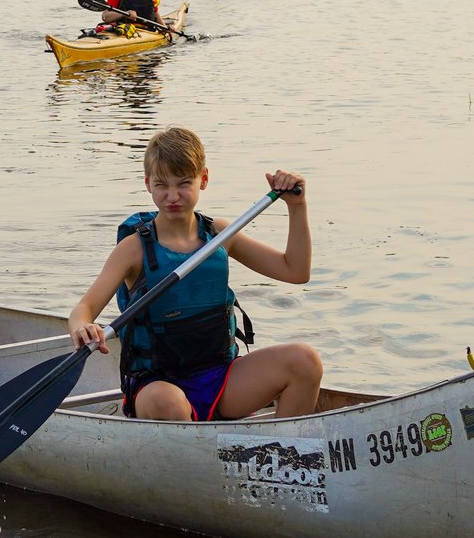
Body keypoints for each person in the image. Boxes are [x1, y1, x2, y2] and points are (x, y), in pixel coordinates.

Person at [65, 127, 323, 421]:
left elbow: (295, 271)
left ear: (204, 179)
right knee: (168, 403)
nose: (172, 196)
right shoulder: (134, 248)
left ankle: (284, 454)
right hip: (156, 385)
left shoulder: (219, 234)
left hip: (220, 377)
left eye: (184, 183)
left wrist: (296, 206)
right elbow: (84, 309)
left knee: (305, 361)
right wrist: (83, 327)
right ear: (148, 183)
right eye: (162, 184)